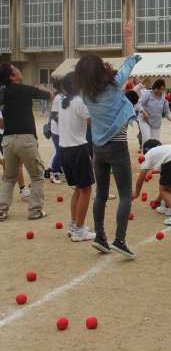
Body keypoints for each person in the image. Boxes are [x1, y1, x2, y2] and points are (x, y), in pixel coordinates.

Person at [74, 21, 141, 259]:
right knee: (125, 195)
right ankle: (119, 240)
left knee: (101, 195)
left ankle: (100, 238)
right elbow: (130, 61)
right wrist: (128, 36)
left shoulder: (85, 93)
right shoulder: (113, 87)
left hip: (98, 148)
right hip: (117, 146)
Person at [0, 63, 51, 221]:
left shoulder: (3, 93)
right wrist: (43, 89)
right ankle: (35, 211)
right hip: (26, 139)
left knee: (9, 178)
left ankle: (1, 210)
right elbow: (49, 95)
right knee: (37, 176)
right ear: (12, 76)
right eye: (15, 69)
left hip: (7, 140)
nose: (19, 70)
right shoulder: (24, 89)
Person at [58, 72, 95, 241]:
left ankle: (74, 225)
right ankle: (80, 230)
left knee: (78, 189)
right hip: (77, 150)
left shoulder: (62, 102)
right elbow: (92, 120)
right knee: (86, 189)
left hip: (64, 150)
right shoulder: (79, 102)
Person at [134, 139, 171, 226]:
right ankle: (168, 207)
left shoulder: (149, 154)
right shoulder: (164, 151)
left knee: (163, 190)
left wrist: (137, 192)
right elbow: (166, 182)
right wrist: (158, 200)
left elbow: (142, 176)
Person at [138, 79, 171, 144]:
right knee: (147, 139)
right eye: (159, 89)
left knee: (155, 142)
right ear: (155, 87)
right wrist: (144, 112)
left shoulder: (164, 97)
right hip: (145, 120)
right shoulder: (148, 94)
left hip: (156, 122)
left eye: (162, 89)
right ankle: (145, 150)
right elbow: (139, 104)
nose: (160, 91)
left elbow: (166, 111)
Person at [49, 80, 63, 184]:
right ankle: (54, 174)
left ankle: (57, 169)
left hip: (62, 130)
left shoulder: (65, 97)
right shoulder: (58, 98)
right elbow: (53, 114)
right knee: (59, 151)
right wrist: (63, 123)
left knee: (62, 151)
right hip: (57, 130)